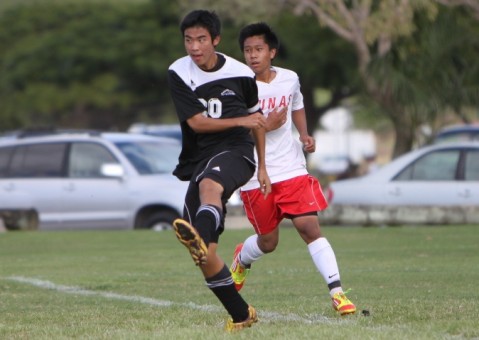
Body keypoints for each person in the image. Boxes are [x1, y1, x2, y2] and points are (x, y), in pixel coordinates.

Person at [229, 22, 356, 316]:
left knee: (309, 227)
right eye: (247, 50)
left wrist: (304, 134)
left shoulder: (289, 78)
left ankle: (337, 293)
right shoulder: (237, 85)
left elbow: (296, 104)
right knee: (268, 242)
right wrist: (265, 125)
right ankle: (242, 258)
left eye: (258, 49)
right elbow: (233, 131)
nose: (252, 55)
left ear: (271, 52)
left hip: (291, 168)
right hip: (255, 175)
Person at [167, 10, 272, 331]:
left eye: (201, 40)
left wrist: (263, 166)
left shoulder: (241, 73)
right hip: (199, 158)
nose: (194, 47)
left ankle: (199, 234)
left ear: (215, 40)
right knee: (205, 256)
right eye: (188, 40)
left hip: (237, 153)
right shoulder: (178, 72)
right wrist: (242, 119)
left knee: (210, 185)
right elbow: (197, 123)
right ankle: (242, 314)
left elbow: (257, 123)